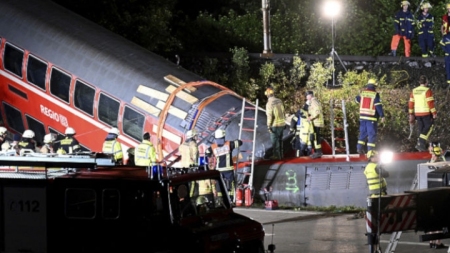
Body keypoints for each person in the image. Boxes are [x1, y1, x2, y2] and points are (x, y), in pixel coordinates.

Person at [205, 129, 242, 200]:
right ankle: (231, 199)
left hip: (219, 170)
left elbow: (207, 153)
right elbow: (240, 142)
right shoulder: (229, 144)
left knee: (219, 184)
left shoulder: (213, 147)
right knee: (230, 185)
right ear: (223, 137)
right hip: (228, 169)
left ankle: (220, 200)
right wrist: (237, 140)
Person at [355, 79, 385, 155]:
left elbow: (356, 99)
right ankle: (370, 151)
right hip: (371, 118)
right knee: (371, 135)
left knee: (363, 134)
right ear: (375, 86)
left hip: (362, 118)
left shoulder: (363, 93)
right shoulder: (375, 94)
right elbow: (378, 106)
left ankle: (359, 148)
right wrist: (382, 116)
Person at [408, 75, 437, 152]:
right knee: (429, 126)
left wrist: (411, 113)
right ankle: (421, 142)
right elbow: (430, 103)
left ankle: (421, 145)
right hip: (426, 113)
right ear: (426, 82)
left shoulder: (414, 90)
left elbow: (411, 103)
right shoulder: (427, 90)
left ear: (419, 82)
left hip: (417, 114)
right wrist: (434, 113)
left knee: (421, 129)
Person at [265, 86, 286, 160]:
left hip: (275, 125)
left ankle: (276, 156)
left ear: (267, 94)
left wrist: (268, 126)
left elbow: (270, 116)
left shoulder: (269, 103)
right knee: (280, 140)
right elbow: (283, 112)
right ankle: (281, 155)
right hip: (282, 124)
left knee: (275, 141)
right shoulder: (279, 101)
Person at [306, 91, 324, 159]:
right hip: (316, 122)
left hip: (316, 122)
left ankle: (318, 152)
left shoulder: (314, 102)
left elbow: (317, 112)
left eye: (307, 96)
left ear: (310, 96)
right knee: (316, 137)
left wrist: (310, 118)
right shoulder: (314, 102)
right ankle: (317, 152)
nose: (306, 97)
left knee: (316, 137)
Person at [441, 3, 450, 86]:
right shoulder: (444, 17)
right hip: (448, 56)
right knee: (448, 68)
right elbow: (442, 26)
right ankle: (448, 82)